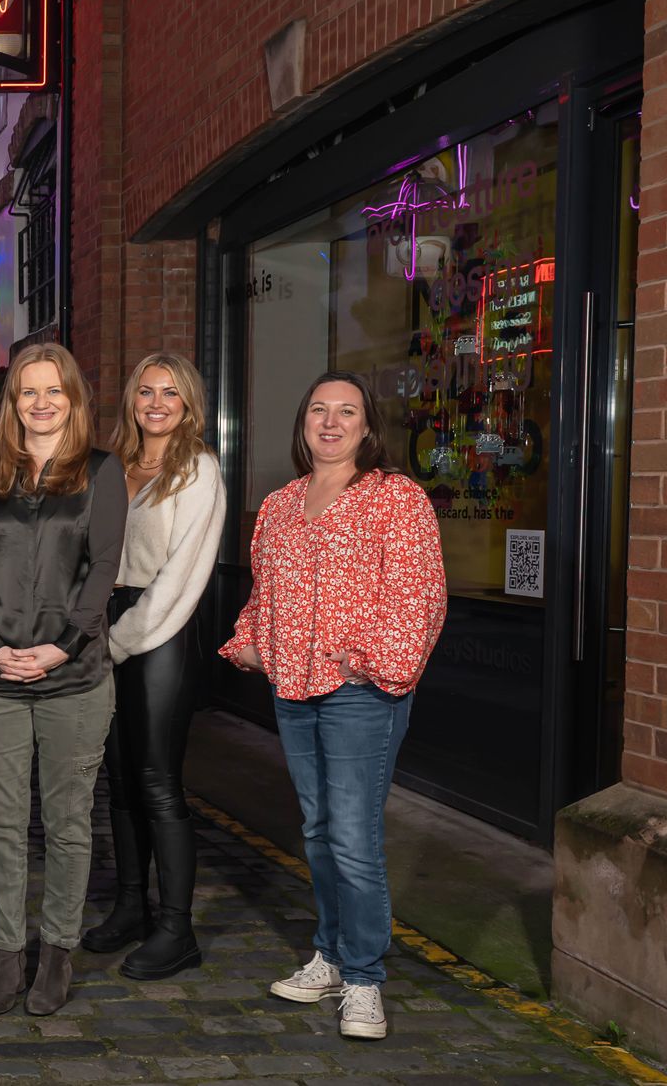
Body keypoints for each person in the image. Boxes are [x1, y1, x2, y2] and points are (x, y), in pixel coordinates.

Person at [223, 371, 446, 1041]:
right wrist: (252, 645)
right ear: (303, 423)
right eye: (318, 409)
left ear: (367, 426)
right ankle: (330, 952)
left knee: (353, 839)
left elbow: (420, 597)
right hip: (293, 690)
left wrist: (369, 666)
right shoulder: (282, 504)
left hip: (360, 695)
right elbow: (267, 591)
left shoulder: (395, 499)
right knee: (318, 829)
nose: (331, 421)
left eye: (345, 411)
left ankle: (366, 979)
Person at [0, 343, 126, 1018]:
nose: (41, 402)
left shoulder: (102, 473)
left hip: (76, 677)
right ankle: (8, 951)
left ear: (74, 399)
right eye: (29, 391)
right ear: (13, 403)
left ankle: (57, 951)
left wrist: (59, 648)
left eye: (54, 390)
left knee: (67, 823)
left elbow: (104, 569)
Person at [80, 354, 226, 980]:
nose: (157, 402)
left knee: (158, 779)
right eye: (147, 391)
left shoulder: (198, 469)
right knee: (117, 779)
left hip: (159, 630)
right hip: (106, 621)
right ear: (132, 400)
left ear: (188, 403)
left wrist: (116, 642)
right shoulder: (113, 466)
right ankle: (131, 906)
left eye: (171, 392)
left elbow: (181, 578)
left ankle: (177, 928)